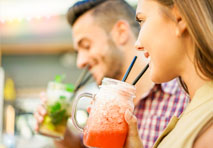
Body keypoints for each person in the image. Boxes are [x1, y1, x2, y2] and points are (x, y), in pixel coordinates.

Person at [34, 0, 189, 148]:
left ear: (121, 33)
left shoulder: (185, 99)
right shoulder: (104, 101)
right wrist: (61, 132)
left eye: (86, 46)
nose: (80, 62)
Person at [125, 0, 213, 148]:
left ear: (180, 18)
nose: (138, 44)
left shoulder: (208, 130)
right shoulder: (195, 110)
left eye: (142, 20)